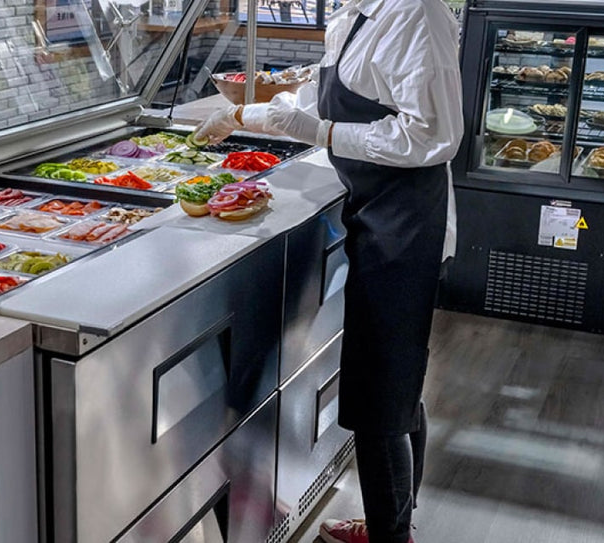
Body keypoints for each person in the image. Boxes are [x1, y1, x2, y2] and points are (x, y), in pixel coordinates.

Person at [194, 0, 462, 541]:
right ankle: (397, 521)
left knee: (381, 395)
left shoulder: (417, 13)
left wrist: (322, 134)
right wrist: (244, 114)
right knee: (394, 383)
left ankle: (393, 535)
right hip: (375, 209)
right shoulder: (353, 14)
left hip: (408, 222)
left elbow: (431, 137)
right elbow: (315, 102)